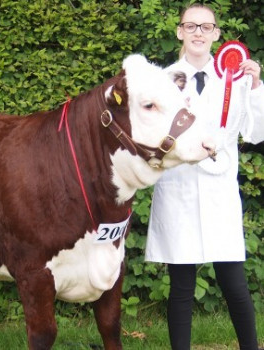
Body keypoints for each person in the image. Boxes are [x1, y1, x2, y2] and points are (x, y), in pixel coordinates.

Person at [145, 3, 264, 350]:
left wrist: (256, 87)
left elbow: (256, 133)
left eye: (206, 27)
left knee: (235, 285)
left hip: (219, 190)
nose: (198, 32)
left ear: (216, 35)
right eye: (191, 25)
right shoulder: (161, 81)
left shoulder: (238, 81)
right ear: (179, 31)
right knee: (181, 288)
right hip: (178, 188)